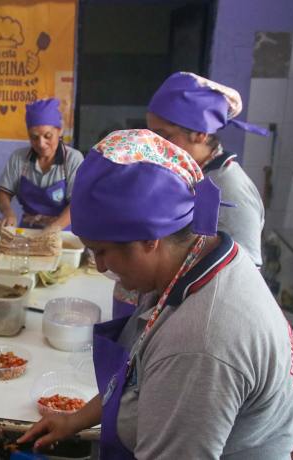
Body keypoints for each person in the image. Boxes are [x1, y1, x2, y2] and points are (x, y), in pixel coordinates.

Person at [18, 129, 293, 459]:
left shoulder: (199, 342)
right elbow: (138, 378)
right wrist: (75, 420)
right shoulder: (195, 260)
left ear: (149, 240)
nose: (99, 266)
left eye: (102, 251)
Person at [112, 72, 268, 318]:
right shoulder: (185, 175)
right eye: (152, 135)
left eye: (164, 136)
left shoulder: (228, 187)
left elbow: (243, 277)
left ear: (200, 134)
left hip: (199, 317)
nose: (156, 146)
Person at [0, 98, 84, 230]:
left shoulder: (72, 159)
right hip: (28, 229)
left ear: (59, 131)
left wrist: (54, 228)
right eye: (34, 137)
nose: (41, 144)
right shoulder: (19, 158)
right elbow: (3, 193)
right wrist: (7, 212)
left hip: (64, 232)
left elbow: (77, 203)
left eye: (48, 136)